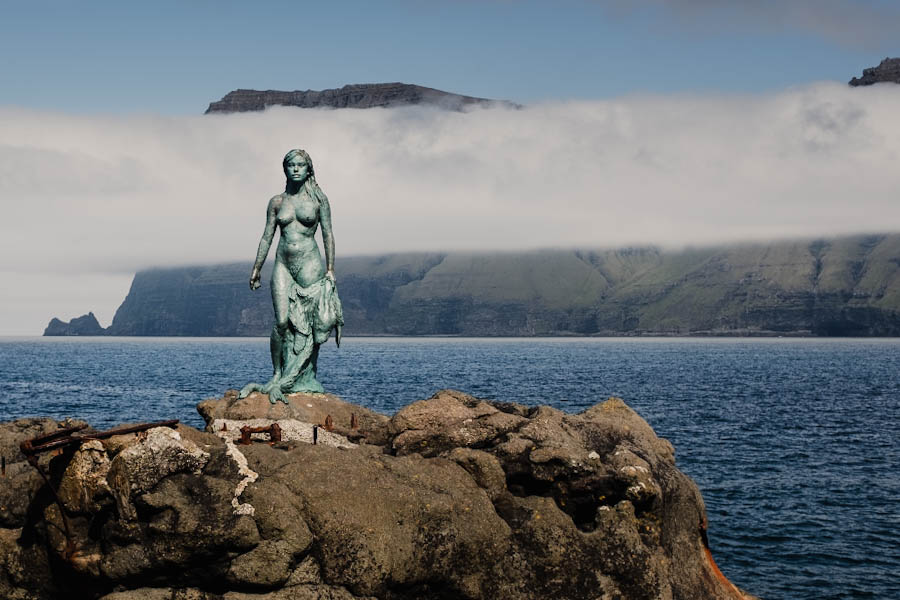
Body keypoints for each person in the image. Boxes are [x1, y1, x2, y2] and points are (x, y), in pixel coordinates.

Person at [239, 149, 343, 403]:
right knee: (282, 322)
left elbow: (328, 234)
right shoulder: (277, 202)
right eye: (291, 165)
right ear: (284, 170)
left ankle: (305, 377)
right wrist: (256, 267)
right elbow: (267, 236)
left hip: (310, 263)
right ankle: (278, 374)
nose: (295, 169)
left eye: (300, 165)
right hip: (283, 264)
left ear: (309, 170)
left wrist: (330, 269)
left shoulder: (319, 200)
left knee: (309, 323)